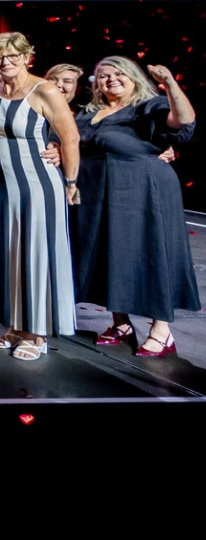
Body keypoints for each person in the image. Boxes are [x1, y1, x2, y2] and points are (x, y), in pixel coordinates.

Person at [0, 5, 81, 361]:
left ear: (27, 57)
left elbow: (71, 139)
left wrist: (70, 181)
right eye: (0, 57)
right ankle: (15, 326)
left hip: (38, 188)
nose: (5, 63)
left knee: (36, 256)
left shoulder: (45, 90)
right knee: (9, 256)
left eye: (13, 56)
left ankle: (37, 333)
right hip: (0, 189)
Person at [73, 57, 197, 357]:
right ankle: (120, 322)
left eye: (118, 74)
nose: (111, 79)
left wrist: (170, 85)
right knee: (109, 253)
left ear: (133, 78)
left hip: (142, 190)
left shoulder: (147, 106)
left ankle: (161, 330)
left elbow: (183, 120)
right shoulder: (89, 112)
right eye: (103, 76)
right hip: (98, 192)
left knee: (148, 250)